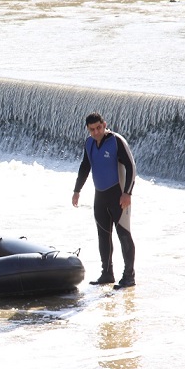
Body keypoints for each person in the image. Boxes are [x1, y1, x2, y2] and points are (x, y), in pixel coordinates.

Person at [72, 112, 137, 289]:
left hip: (118, 197)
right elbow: (85, 167)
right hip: (100, 196)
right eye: (92, 129)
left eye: (98, 128)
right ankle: (107, 274)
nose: (96, 132)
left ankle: (129, 277)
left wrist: (127, 193)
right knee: (103, 235)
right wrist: (77, 190)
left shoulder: (116, 141)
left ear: (104, 124)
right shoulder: (89, 143)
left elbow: (131, 167)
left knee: (123, 234)